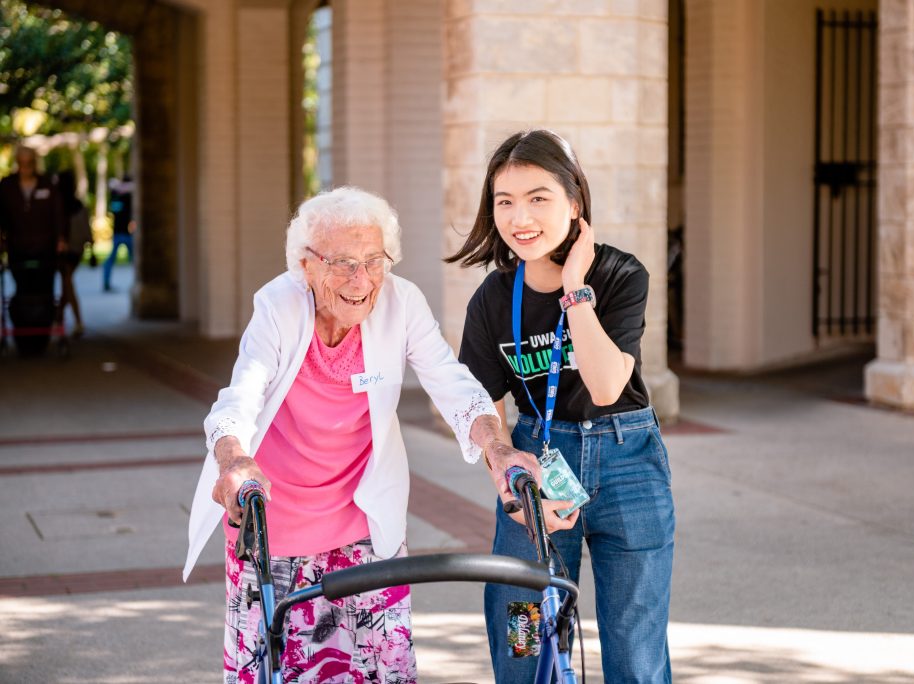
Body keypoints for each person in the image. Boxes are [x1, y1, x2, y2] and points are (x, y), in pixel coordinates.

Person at [183, 186, 541, 684]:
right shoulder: (279, 306)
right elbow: (242, 394)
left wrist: (496, 448)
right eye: (344, 263)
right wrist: (233, 458)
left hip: (365, 519)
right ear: (306, 265)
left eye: (375, 261)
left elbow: (453, 384)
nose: (362, 279)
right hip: (275, 522)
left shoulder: (401, 302)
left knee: (380, 670)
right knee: (284, 669)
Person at [447, 129, 676, 683]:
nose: (518, 216)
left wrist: (575, 287)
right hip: (537, 463)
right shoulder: (494, 299)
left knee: (634, 649)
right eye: (505, 202)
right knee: (523, 638)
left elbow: (604, 387)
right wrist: (505, 471)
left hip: (628, 460)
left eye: (538, 198)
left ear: (574, 202)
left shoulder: (620, 275)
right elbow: (478, 404)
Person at [0, 145, 66, 355]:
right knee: (23, 290)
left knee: (45, 291)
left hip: (44, 248)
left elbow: (58, 214)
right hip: (18, 247)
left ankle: (42, 336)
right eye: (22, 163)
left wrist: (61, 239)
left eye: (29, 163)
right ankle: (23, 337)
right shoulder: (7, 187)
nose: (26, 167)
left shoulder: (48, 185)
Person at [56, 171, 88, 337]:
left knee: (67, 285)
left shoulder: (62, 205)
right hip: (75, 251)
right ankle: (61, 317)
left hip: (69, 251)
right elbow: (86, 232)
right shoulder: (77, 206)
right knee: (66, 286)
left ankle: (74, 320)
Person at [102, 175, 134, 292]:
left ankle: (138, 282)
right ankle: (106, 283)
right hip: (121, 233)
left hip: (126, 233)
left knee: (134, 259)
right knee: (111, 260)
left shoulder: (124, 196)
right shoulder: (116, 196)